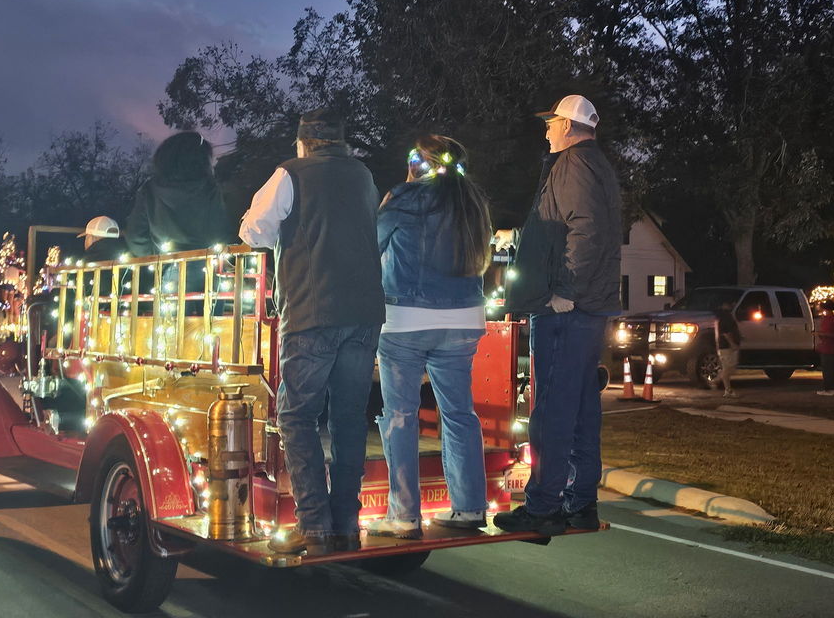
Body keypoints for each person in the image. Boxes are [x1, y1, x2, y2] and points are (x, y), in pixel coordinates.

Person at [239, 109, 384, 556]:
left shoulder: (290, 174)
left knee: (297, 416)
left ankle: (313, 525)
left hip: (312, 311)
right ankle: (346, 525)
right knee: (348, 418)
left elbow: (252, 231)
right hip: (364, 313)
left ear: (303, 143)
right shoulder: (362, 174)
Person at [492, 94, 622, 537]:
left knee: (551, 407)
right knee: (582, 406)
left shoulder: (574, 165)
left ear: (568, 126)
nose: (546, 130)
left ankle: (543, 505)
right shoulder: (595, 164)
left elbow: (584, 229)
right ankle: (580, 502)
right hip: (590, 307)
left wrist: (564, 291)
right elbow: (578, 227)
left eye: (551, 124)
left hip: (568, 309)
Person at [367, 135, 492, 540]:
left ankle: (404, 515)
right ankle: (470, 507)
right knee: (459, 413)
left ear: (420, 162)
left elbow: (371, 246)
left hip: (405, 316)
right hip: (464, 318)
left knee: (400, 415)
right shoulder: (473, 202)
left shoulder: (403, 198)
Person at [126, 131, 230, 256]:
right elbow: (220, 231)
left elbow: (136, 236)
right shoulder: (209, 188)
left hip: (165, 266)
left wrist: (155, 260)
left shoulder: (149, 190)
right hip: (204, 262)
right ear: (202, 159)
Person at [712, 299, 741, 397]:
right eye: (731, 303)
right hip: (727, 346)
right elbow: (726, 332)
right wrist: (732, 343)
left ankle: (727, 390)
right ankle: (717, 380)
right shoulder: (726, 317)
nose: (733, 304)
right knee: (730, 368)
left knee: (728, 368)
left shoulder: (719, 317)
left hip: (722, 346)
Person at [815, 300, 834, 395]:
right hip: (828, 346)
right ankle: (829, 388)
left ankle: (829, 388)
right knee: (828, 369)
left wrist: (823, 334)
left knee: (828, 369)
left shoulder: (830, 320)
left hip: (829, 347)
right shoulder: (829, 319)